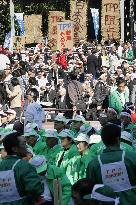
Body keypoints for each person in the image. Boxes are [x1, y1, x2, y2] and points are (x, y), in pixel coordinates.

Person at [87, 123, 136, 205]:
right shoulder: (132, 158)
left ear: (102, 140)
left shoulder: (94, 164)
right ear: (118, 139)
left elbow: (91, 191)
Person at [0, 132, 44, 205]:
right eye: (23, 144)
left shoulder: (1, 165)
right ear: (15, 149)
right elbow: (35, 188)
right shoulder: (24, 165)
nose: (26, 147)